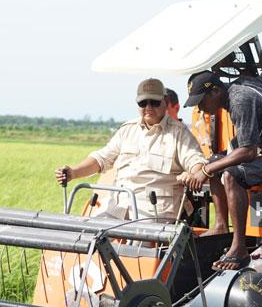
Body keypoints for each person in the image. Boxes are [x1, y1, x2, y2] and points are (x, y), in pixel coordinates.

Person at [181, 53, 262, 271]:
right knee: (214, 161)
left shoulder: (240, 101)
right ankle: (221, 225)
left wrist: (205, 169)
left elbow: (248, 152)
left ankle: (239, 247)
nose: (200, 109)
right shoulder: (244, 83)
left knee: (231, 174)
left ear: (215, 91)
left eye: (201, 102)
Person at [55, 78, 207, 222]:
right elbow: (101, 159)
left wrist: (193, 174)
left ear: (165, 102)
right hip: (119, 204)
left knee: (138, 247)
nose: (148, 107)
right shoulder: (127, 130)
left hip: (154, 211)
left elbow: (196, 161)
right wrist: (73, 172)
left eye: (154, 102)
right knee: (90, 235)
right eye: (143, 103)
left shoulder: (179, 133)